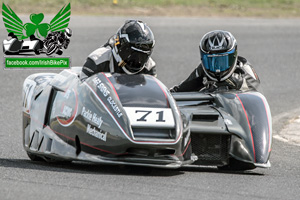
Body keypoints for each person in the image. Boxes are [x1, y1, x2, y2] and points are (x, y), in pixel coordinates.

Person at [170, 30, 260, 93]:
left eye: (222, 60)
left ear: (233, 55)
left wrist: (238, 83)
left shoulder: (244, 67)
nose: (217, 68)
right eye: (211, 60)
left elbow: (257, 95)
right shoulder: (202, 70)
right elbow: (181, 90)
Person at [80, 20, 156, 80]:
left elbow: (153, 94)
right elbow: (82, 92)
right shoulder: (97, 61)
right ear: (121, 47)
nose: (138, 60)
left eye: (143, 56)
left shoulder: (149, 67)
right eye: (134, 55)